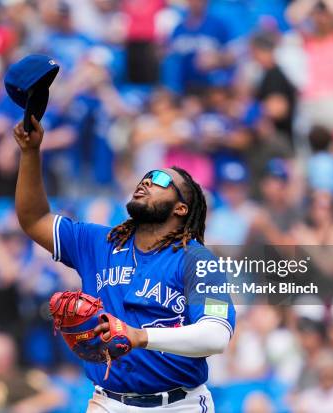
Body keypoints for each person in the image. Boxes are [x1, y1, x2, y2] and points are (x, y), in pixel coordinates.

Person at [13, 116, 235, 411]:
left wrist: (141, 336)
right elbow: (34, 219)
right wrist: (30, 153)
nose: (146, 181)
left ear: (182, 208)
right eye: (145, 177)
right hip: (109, 402)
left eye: (160, 180)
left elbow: (216, 335)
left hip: (178, 405)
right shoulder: (98, 242)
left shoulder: (198, 261)